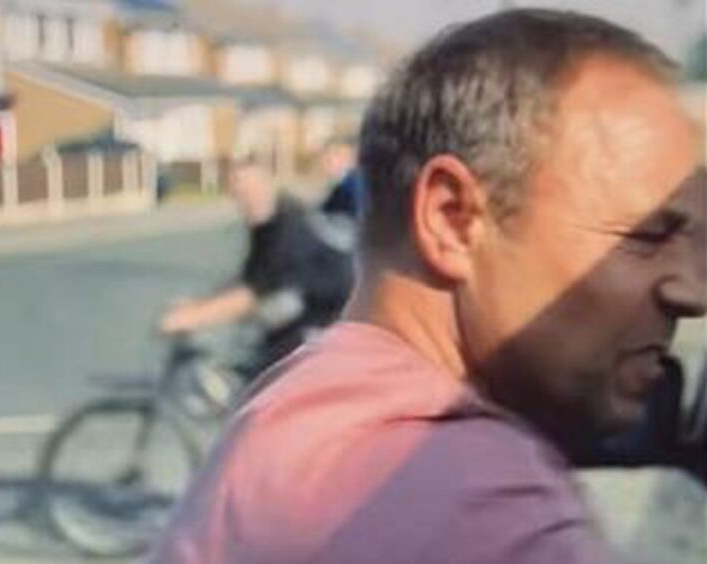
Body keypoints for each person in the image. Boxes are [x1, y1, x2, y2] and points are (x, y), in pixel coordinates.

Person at [150, 9, 706, 564]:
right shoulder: (492, 508)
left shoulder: (286, 404)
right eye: (647, 236)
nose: (693, 294)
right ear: (452, 219)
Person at [159, 156, 353, 375]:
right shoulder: (266, 223)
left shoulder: (288, 223)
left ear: (270, 184)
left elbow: (253, 293)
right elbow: (250, 277)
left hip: (336, 312)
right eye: (240, 194)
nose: (248, 200)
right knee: (259, 351)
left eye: (254, 190)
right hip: (312, 306)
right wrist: (200, 305)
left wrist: (192, 317)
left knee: (272, 372)